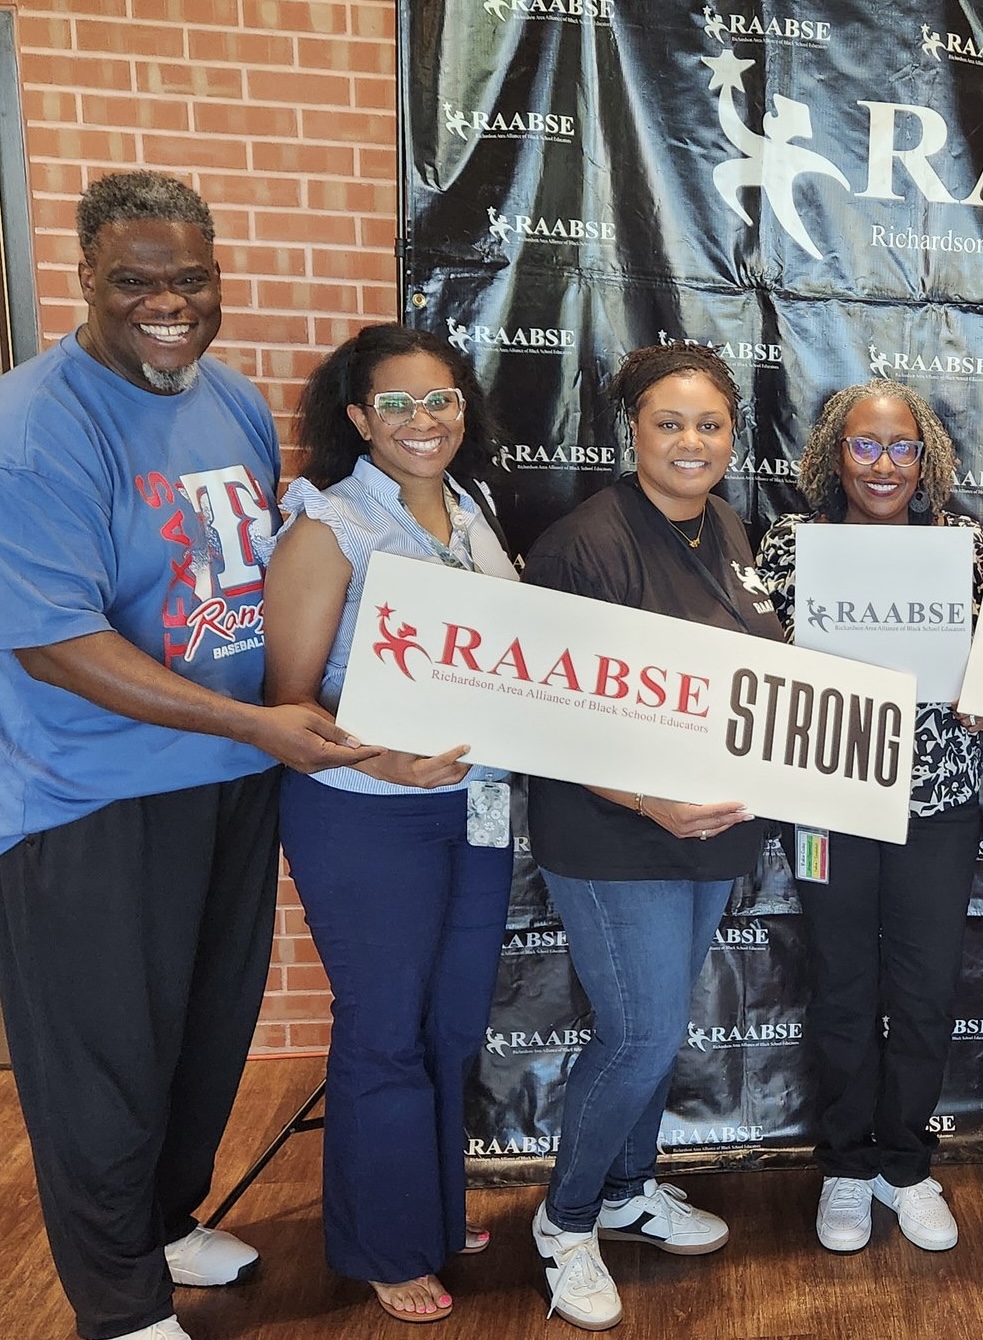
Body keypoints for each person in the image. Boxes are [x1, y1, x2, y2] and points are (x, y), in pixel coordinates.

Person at [0, 171, 375, 1340]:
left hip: (228, 780)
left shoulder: (230, 397)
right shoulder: (32, 427)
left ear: (217, 276)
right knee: (103, 1061)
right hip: (89, 794)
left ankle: (163, 1221)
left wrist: (293, 709)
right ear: (84, 280)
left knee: (204, 1035)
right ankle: (118, 1304)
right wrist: (256, 723)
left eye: (189, 279)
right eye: (135, 282)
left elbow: (256, 578)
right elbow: (57, 644)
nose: (167, 303)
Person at [261, 324, 520, 1324]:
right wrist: (385, 757)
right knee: (384, 1029)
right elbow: (288, 713)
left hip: (478, 807)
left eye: (442, 399)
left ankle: (431, 1205)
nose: (425, 420)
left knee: (452, 1025)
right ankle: (381, 1242)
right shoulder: (326, 529)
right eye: (399, 404)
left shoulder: (476, 511)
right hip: (365, 818)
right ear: (359, 417)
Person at [523, 343, 783, 1331]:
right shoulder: (579, 545)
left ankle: (629, 1187)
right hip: (611, 829)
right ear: (629, 428)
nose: (691, 441)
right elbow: (543, 713)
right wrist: (645, 802)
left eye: (708, 424)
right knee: (637, 1033)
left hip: (705, 828)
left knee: (657, 1025)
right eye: (669, 422)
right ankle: (566, 1218)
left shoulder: (724, 522)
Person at [754, 380, 983, 1255]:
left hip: (936, 806)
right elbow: (754, 660)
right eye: (864, 445)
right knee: (846, 988)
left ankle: (906, 1165)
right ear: (833, 455)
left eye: (900, 448)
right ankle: (847, 1168)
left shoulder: (964, 552)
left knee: (925, 994)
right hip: (827, 802)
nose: (883, 464)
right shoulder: (790, 548)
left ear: (923, 460)